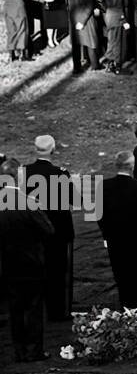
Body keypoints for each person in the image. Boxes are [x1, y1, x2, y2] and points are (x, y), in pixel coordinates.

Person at [0, 171, 53, 362]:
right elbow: (48, 230)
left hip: (8, 264)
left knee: (15, 309)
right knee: (34, 308)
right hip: (32, 263)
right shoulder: (28, 202)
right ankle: (34, 350)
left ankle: (19, 350)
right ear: (18, 178)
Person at [97, 150, 137, 309]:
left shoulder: (103, 186)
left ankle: (125, 307)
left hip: (115, 239)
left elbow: (98, 214)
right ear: (132, 167)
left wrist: (106, 234)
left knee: (121, 276)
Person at [27, 135, 74, 321]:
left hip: (34, 230)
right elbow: (73, 200)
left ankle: (38, 309)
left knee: (36, 270)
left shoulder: (26, 172)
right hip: (58, 229)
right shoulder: (61, 173)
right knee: (58, 271)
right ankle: (57, 311)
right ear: (53, 149)